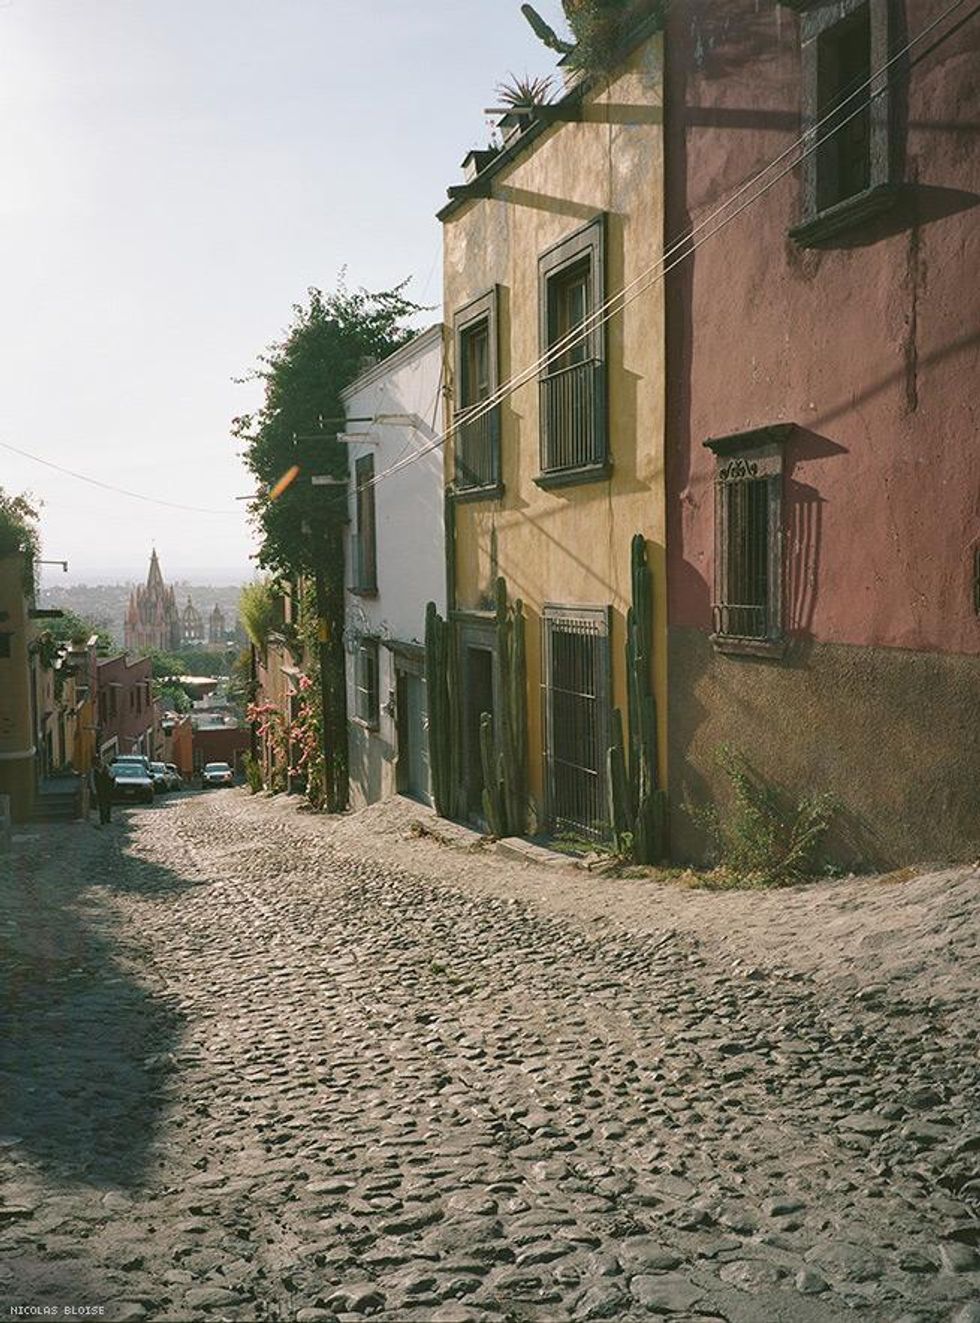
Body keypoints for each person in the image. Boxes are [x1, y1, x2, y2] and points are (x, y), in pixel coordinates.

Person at [93, 758, 114, 826]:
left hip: (107, 789)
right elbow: (92, 782)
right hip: (100, 790)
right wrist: (94, 791)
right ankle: (102, 819)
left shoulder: (106, 768)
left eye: (99, 762)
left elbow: (112, 776)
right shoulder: (94, 771)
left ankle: (107, 818)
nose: (99, 763)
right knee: (102, 805)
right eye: (97, 762)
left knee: (108, 804)